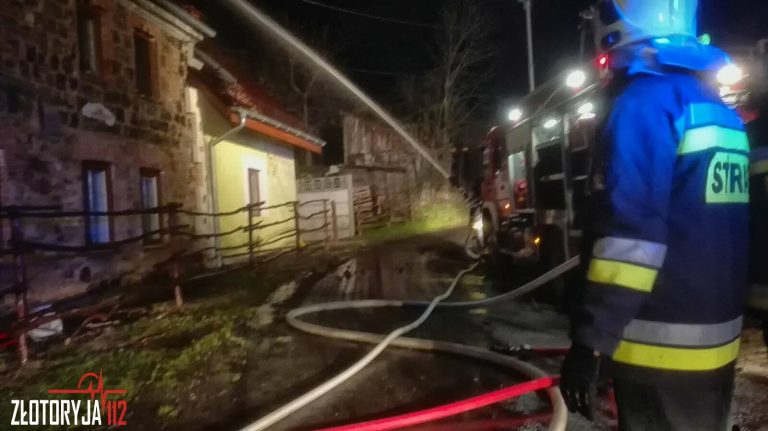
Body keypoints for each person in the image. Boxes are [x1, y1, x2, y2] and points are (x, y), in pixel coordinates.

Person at [559, 1, 750, 430]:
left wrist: (590, 344)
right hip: (716, 348)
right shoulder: (722, 112)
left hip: (657, 350)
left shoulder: (643, 105)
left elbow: (630, 242)